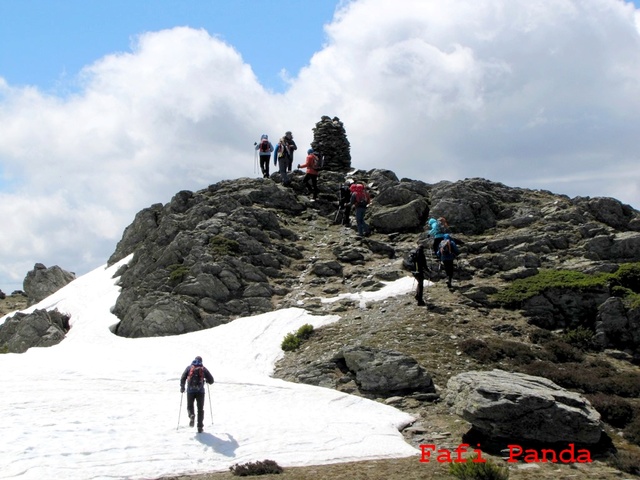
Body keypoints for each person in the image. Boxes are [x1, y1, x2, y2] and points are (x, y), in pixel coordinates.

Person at [180, 355, 214, 433]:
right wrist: (207, 381)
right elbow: (211, 380)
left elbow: (183, 377)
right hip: (200, 392)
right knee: (200, 409)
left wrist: (182, 387)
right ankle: (200, 427)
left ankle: (191, 415)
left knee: (190, 406)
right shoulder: (203, 369)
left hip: (190, 391)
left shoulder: (189, 368)